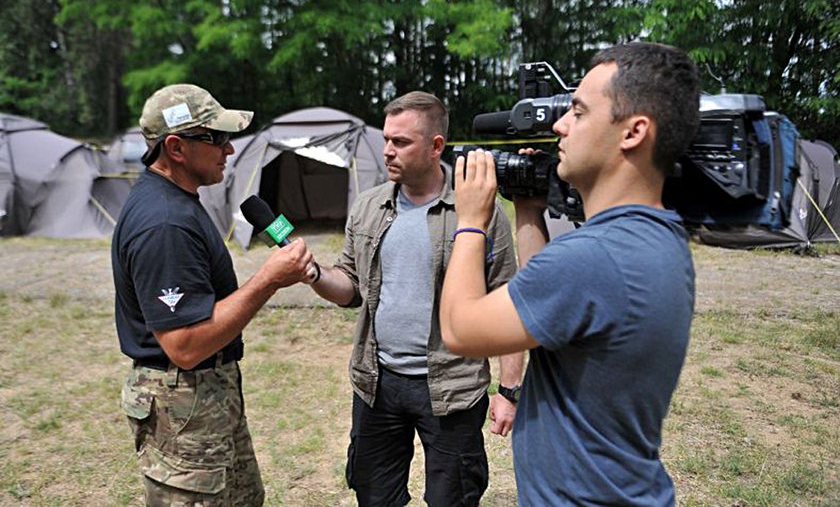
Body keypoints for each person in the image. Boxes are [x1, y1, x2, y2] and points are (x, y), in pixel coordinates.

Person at [440, 42, 701, 505]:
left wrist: (469, 222)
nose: (559, 125)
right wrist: (528, 211)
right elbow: (543, 312)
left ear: (633, 132)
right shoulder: (655, 238)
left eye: (578, 113)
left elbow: (461, 328)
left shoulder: (593, 258)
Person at [306, 91, 523, 506]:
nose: (388, 150)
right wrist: (315, 274)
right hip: (377, 383)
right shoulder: (370, 206)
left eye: (401, 142)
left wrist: (509, 389)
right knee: (374, 497)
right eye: (386, 139)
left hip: (451, 388)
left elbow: (505, 298)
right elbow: (350, 287)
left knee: (452, 498)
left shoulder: (476, 211)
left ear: (435, 146)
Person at [112, 83, 313, 506]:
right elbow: (183, 346)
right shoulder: (164, 223)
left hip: (207, 397)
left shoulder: (178, 200)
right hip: (183, 403)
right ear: (176, 148)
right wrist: (268, 280)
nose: (230, 150)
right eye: (217, 138)